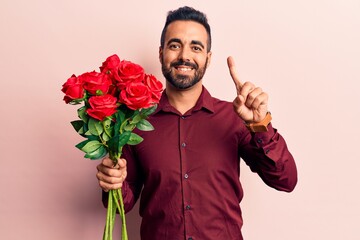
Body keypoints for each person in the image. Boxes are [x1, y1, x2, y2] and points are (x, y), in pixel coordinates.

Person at [96, 6, 297, 240]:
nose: (184, 55)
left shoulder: (235, 117)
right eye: (175, 45)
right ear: (161, 53)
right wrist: (113, 182)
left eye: (196, 47)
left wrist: (260, 123)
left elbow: (286, 180)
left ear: (208, 58)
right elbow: (125, 203)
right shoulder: (135, 122)